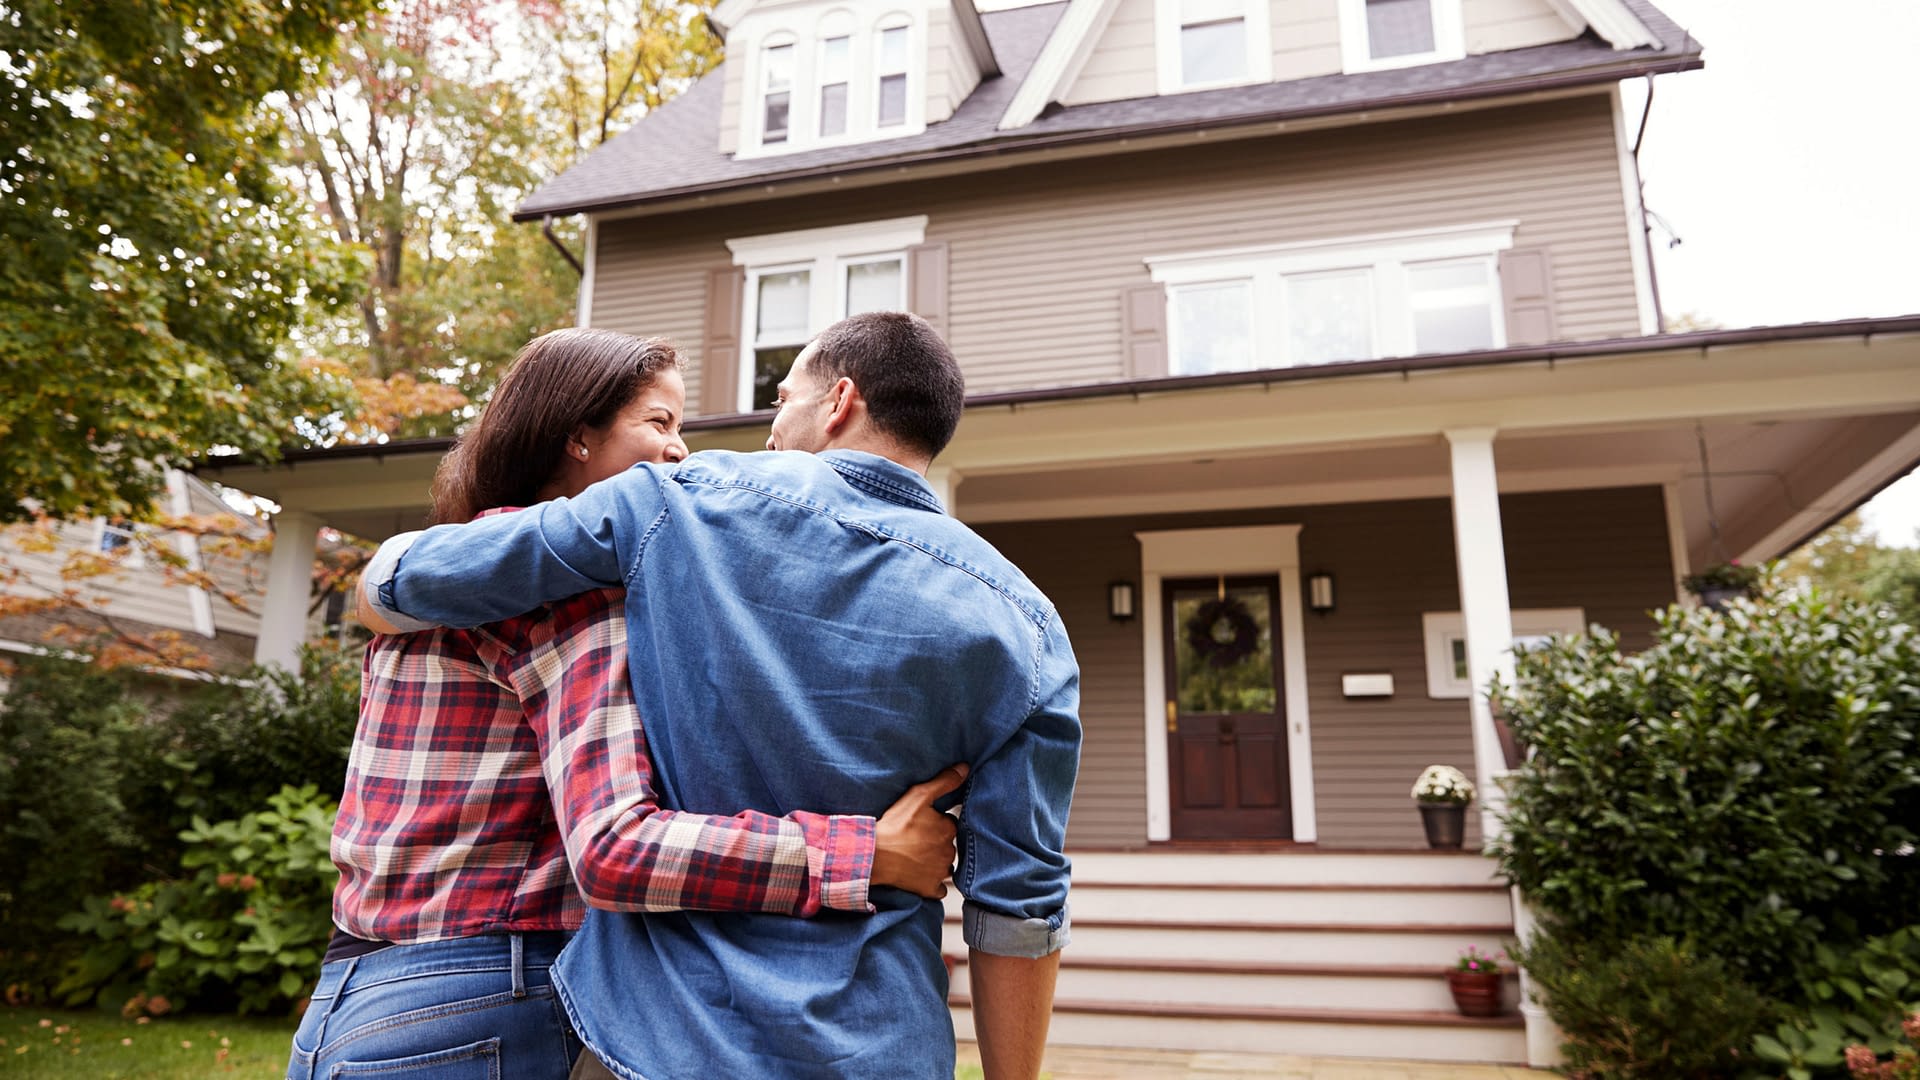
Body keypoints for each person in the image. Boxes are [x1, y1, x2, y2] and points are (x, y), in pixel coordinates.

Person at [359, 312, 1079, 1080]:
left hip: (662, 1040)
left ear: (838, 403)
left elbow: (406, 581)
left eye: (781, 401)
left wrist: (379, 586)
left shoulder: (673, 502)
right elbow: (1020, 905)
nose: (770, 427)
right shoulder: (1029, 628)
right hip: (880, 1045)